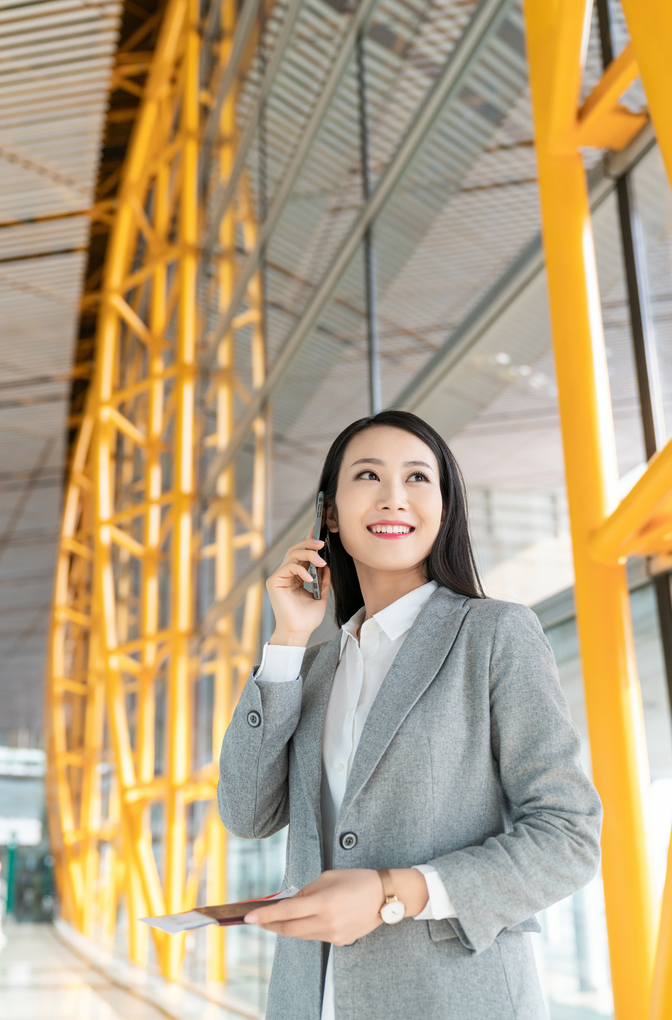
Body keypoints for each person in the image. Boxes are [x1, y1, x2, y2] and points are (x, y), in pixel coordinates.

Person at [218, 410, 602, 1020]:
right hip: (310, 1001)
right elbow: (245, 812)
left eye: (418, 478)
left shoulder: (495, 634)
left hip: (452, 998)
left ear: (443, 509)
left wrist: (391, 893)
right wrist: (287, 642)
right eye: (368, 475)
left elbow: (569, 836)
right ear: (332, 515)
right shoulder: (312, 669)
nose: (394, 497)